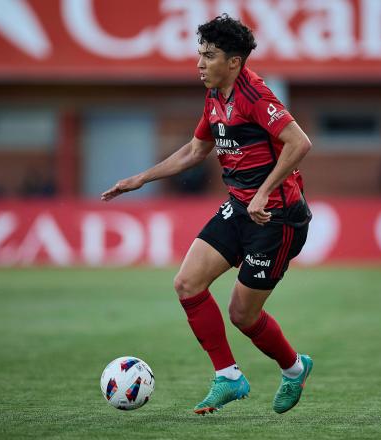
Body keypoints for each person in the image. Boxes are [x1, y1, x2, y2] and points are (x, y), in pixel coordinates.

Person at [102, 14, 313, 415]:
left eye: (209, 56)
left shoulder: (256, 97)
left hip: (278, 217)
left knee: (242, 315)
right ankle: (229, 377)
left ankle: (294, 369)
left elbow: (299, 142)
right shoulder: (216, 94)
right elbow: (196, 150)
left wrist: (264, 193)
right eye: (199, 54)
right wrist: (141, 179)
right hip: (240, 206)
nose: (200, 64)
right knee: (187, 283)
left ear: (234, 62)